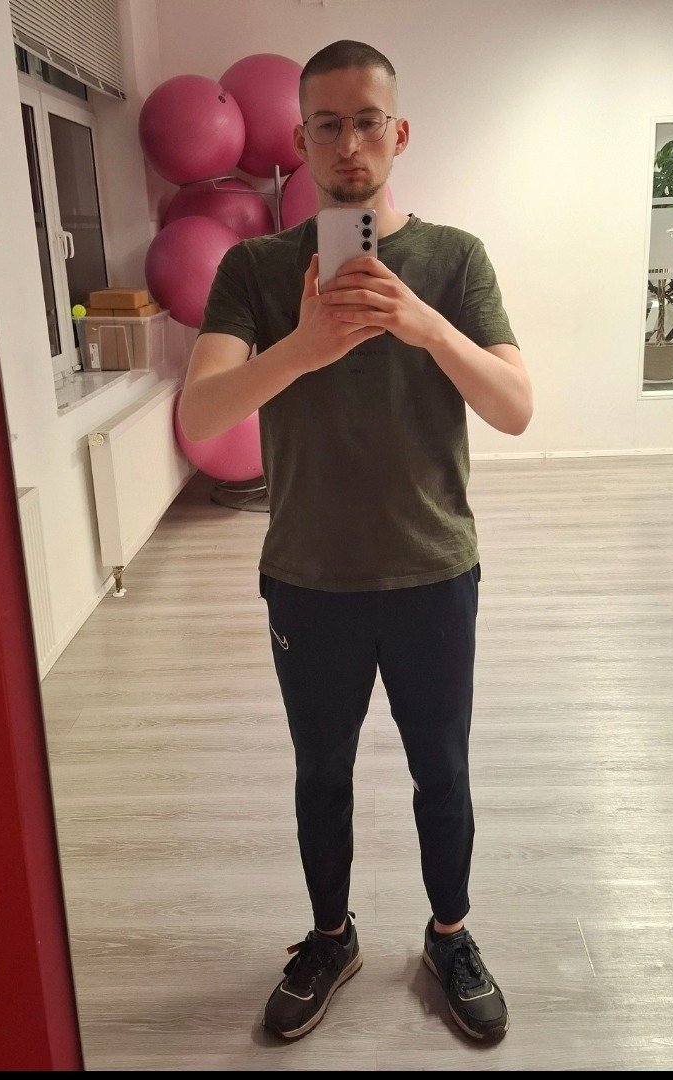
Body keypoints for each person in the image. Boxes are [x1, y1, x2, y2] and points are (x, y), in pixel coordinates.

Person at [179, 39, 532, 1044]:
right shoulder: (255, 268)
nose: (348, 144)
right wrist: (302, 348)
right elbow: (202, 414)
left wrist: (424, 325)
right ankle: (331, 938)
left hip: (433, 570)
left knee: (443, 770)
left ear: (399, 132)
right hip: (310, 579)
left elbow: (514, 406)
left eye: (367, 120)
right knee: (320, 773)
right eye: (327, 124)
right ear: (299, 140)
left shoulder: (454, 259)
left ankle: (450, 935)